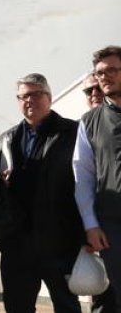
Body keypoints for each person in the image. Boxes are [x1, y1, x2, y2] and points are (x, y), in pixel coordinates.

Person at [0, 73, 82, 313]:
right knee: (17, 307)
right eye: (23, 97)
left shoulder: (72, 132)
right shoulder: (7, 139)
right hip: (17, 243)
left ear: (49, 97)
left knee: (67, 306)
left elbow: (84, 182)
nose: (28, 101)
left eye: (34, 94)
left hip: (59, 239)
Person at [74, 45, 121, 310]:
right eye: (100, 72)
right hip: (113, 226)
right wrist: (91, 224)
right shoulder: (89, 121)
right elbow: (83, 176)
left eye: (112, 70)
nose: (105, 77)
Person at [82, 71, 117, 313]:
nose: (95, 93)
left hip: (114, 224)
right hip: (94, 231)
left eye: (97, 88)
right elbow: (79, 182)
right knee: (103, 300)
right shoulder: (82, 126)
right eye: (88, 90)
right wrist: (87, 227)